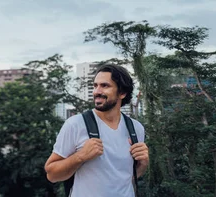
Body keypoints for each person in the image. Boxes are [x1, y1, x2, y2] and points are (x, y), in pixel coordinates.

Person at [44, 64, 149, 197]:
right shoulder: (75, 124)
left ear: (122, 93)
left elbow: (125, 178)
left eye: (105, 86)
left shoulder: (136, 129)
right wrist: (80, 156)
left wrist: (143, 165)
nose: (97, 91)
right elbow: (52, 174)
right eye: (95, 86)